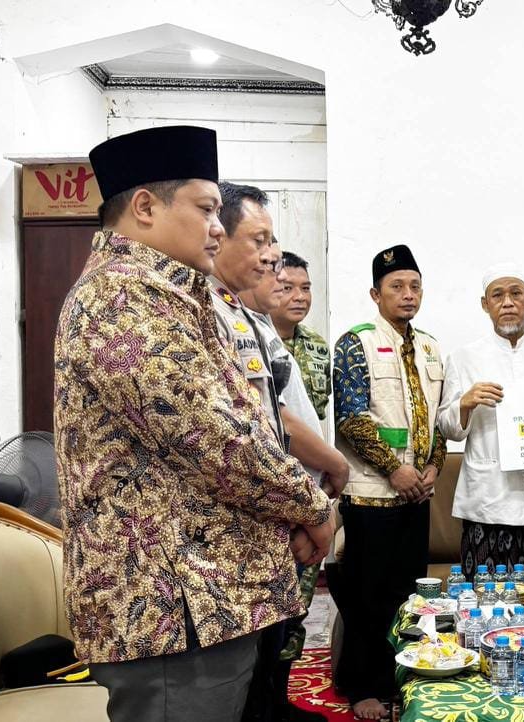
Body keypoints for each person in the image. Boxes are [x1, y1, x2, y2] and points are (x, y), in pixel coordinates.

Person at [55, 125, 333, 722]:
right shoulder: (122, 300)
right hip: (170, 606)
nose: (217, 227)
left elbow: (244, 422)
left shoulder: (172, 295)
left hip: (202, 599)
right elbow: (214, 439)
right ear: (145, 207)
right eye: (206, 209)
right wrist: (312, 506)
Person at [210, 184, 338, 722]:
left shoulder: (252, 322)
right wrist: (330, 471)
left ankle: (275, 704)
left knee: (282, 627)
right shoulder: (210, 312)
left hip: (292, 498)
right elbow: (265, 424)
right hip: (268, 506)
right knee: (263, 638)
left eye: (274, 246)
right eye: (260, 243)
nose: (271, 258)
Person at [332, 244, 446, 720]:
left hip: (417, 495)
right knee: (367, 597)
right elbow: (351, 419)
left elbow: (437, 421)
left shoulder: (431, 347)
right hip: (371, 494)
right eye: (397, 286)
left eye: (415, 286)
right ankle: (362, 686)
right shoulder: (354, 343)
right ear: (375, 294)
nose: (408, 294)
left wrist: (434, 466)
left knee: (408, 598)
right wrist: (394, 470)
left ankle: (401, 680)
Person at [238, 240, 350, 709]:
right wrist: (334, 466)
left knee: (292, 612)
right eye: (284, 283)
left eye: (305, 287)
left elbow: (313, 418)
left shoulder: (312, 346)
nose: (296, 295)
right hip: (275, 498)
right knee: (265, 622)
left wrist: (321, 489)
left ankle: (279, 701)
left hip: (308, 489)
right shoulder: (240, 329)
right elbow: (276, 423)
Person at [437, 263, 524, 579]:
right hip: (486, 504)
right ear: (485, 304)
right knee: (482, 599)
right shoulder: (463, 357)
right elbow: (447, 428)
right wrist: (465, 403)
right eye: (497, 295)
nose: (508, 303)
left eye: (516, 294)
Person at [272, 251, 332, 422]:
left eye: (305, 288)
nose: (300, 297)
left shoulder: (317, 344)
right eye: (287, 288)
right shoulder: (257, 338)